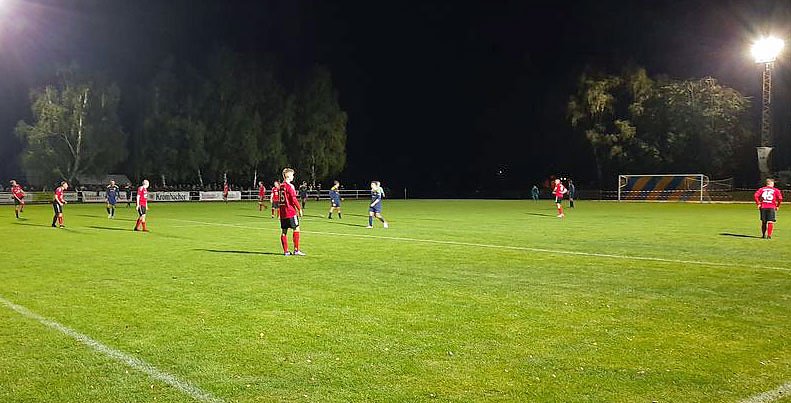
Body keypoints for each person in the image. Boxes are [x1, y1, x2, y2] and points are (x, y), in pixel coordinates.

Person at [277, 168, 305, 256]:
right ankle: (296, 250)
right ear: (288, 176)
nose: (293, 177)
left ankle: (286, 251)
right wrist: (299, 209)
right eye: (292, 175)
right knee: (296, 228)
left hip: (283, 212)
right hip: (290, 211)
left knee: (284, 231)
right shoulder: (290, 186)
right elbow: (293, 199)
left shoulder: (281, 186)